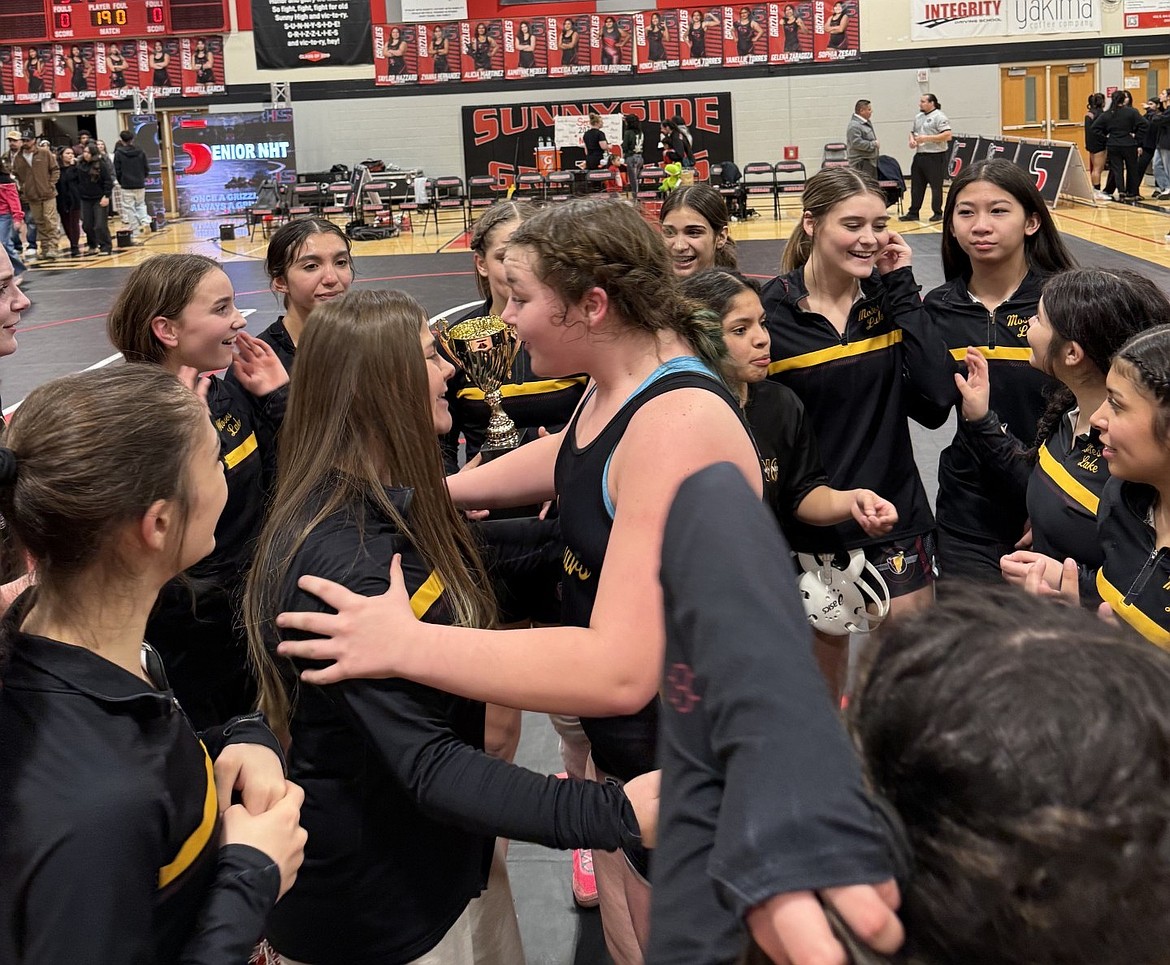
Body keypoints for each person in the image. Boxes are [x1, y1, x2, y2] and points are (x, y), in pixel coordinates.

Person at [273, 197, 761, 965]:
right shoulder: (621, 391)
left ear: (591, 306)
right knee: (632, 939)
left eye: (521, 299)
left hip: (677, 751)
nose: (505, 321)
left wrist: (406, 643)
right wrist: (426, 497)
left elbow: (619, 669)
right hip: (633, 753)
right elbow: (571, 459)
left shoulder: (675, 422)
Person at [245, 288, 656, 964]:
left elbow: (491, 556)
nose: (448, 372)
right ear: (378, 387)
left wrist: (635, 521)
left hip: (444, 863)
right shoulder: (343, 563)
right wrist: (612, 814)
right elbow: (430, 764)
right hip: (376, 911)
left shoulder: (389, 502)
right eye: (430, 357)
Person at [0, 365, 308, 963]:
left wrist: (238, 737)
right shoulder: (97, 808)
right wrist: (251, 876)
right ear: (159, 522)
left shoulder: (64, 638)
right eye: (215, 460)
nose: (226, 475)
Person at [762, 167, 958, 692]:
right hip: (810, 525)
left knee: (908, 685)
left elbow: (938, 401)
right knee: (822, 695)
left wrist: (901, 287)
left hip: (895, 512)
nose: (869, 239)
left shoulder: (887, 301)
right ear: (811, 224)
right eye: (852, 224)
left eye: (879, 224)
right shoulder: (769, 314)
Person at [106, 254, 290, 729]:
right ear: (167, 330)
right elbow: (142, 537)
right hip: (186, 631)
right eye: (221, 308)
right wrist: (181, 438)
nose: (238, 319)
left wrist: (279, 400)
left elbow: (279, 487)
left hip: (250, 611)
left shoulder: (226, 393)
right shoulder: (125, 418)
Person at [954, 269, 1169, 580]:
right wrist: (982, 418)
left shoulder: (1127, 456)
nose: (1028, 322)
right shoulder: (1070, 411)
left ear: (1072, 353)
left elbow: (1145, 576)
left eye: (1039, 318)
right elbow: (1049, 479)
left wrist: (1073, 582)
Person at [925, 158, 1075, 582]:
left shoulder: (1066, 303)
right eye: (966, 212)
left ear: (1031, 222)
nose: (980, 225)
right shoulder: (937, 308)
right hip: (968, 511)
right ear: (951, 225)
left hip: (1058, 502)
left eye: (998, 210)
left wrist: (1050, 508)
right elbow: (929, 405)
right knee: (969, 643)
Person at [681, 269, 898, 540]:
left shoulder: (780, 404)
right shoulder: (677, 418)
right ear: (698, 336)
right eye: (740, 330)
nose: (762, 338)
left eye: (762, 323)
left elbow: (802, 492)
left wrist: (854, 500)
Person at [1009, 324, 1170, 649]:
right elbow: (1127, 594)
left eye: (1117, 404)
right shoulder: (1123, 498)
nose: (1097, 418)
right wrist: (1073, 586)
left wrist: (1101, 654)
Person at [439, 199, 586, 472]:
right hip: (483, 506)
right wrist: (453, 492)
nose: (520, 267)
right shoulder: (452, 346)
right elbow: (438, 445)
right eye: (505, 256)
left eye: (533, 254)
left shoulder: (580, 336)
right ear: (481, 264)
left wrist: (577, 473)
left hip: (565, 496)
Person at [659, 182, 737, 276]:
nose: (679, 246)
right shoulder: (648, 288)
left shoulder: (740, 290)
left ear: (721, 237)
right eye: (669, 232)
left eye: (693, 233)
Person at [902, 93, 952, 223]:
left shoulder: (939, 116)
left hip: (935, 156)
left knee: (936, 186)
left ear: (932, 103)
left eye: (923, 101)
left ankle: (937, 212)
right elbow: (912, 132)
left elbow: (947, 135)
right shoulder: (918, 117)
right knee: (917, 185)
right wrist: (912, 140)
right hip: (920, 155)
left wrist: (927, 138)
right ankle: (913, 212)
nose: (920, 104)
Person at [11, 130, 60, 262]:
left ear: (34, 140)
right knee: (39, 222)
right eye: (23, 140)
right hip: (32, 195)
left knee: (50, 220)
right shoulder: (18, 157)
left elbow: (55, 169)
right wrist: (24, 188)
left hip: (48, 193)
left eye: (27, 140)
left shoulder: (44, 153)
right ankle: (44, 248)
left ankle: (53, 247)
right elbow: (16, 174)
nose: (25, 143)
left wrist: (51, 184)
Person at [1091, 88, 1147, 202]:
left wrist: (1106, 136)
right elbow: (1144, 125)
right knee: (1132, 168)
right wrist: (1136, 137)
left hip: (1113, 144)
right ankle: (1133, 192)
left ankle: (1121, 191)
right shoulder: (1132, 112)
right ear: (1124, 99)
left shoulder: (1107, 114)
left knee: (1117, 169)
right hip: (1129, 143)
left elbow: (1094, 128)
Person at [77, 141, 113, 256]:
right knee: (87, 224)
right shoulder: (80, 165)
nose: (86, 154)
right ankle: (92, 245)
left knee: (99, 225)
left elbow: (108, 181)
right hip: (85, 198)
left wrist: (106, 196)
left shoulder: (101, 164)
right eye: (85, 152)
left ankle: (105, 246)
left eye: (88, 152)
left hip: (99, 198)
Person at [114, 130, 149, 238]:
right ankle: (144, 221)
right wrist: (142, 178)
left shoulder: (119, 153)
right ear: (132, 139)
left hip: (126, 185)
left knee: (129, 208)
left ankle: (135, 231)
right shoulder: (141, 151)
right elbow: (146, 167)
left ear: (121, 140)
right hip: (139, 183)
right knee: (141, 204)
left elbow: (117, 170)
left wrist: (121, 181)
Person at [54, 146, 83, 257]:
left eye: (72, 153)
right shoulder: (57, 169)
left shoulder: (76, 168)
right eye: (67, 153)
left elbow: (77, 180)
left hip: (74, 198)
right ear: (61, 155)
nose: (70, 155)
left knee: (74, 222)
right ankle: (72, 241)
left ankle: (74, 245)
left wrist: (72, 166)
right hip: (61, 198)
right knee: (65, 223)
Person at [0, 159, 26, 282]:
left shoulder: (6, 181)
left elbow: (14, 201)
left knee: (4, 243)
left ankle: (17, 270)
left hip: (3, 216)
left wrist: (17, 218)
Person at [846, 98, 878, 179]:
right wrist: (873, 144)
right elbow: (856, 143)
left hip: (869, 162)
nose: (871, 111)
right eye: (869, 109)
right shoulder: (854, 126)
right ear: (862, 111)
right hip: (860, 164)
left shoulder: (866, 122)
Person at [622, 113, 645, 194]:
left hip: (631, 157)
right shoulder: (641, 132)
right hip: (640, 157)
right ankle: (638, 193)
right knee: (637, 178)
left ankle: (635, 196)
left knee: (632, 179)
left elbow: (625, 146)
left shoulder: (628, 132)